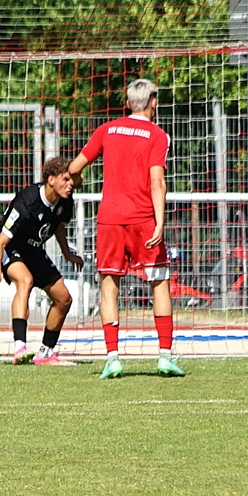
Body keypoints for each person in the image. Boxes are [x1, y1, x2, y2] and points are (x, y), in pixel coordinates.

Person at [68, 78, 184, 378]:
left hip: (110, 219)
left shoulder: (107, 129)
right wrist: (160, 222)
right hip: (143, 219)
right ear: (153, 102)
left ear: (128, 103)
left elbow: (74, 168)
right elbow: (157, 181)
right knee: (159, 283)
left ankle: (112, 358)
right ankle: (165, 356)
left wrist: (76, 182)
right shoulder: (157, 135)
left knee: (109, 285)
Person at [0, 156, 84, 366]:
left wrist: (67, 253)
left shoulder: (65, 200)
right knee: (26, 281)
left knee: (64, 299)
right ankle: (19, 348)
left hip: (33, 250)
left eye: (71, 180)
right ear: (51, 179)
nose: (70, 185)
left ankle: (45, 353)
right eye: (65, 179)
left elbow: (58, 225)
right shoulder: (27, 202)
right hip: (9, 248)